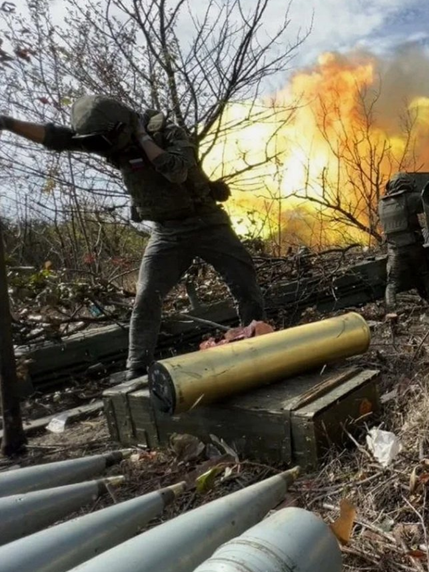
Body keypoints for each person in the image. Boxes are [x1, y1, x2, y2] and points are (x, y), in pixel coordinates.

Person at [0, 95, 265, 379]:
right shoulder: (109, 142)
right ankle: (137, 369)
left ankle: (260, 346)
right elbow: (57, 138)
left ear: (124, 126)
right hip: (167, 233)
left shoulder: (167, 133)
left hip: (208, 224)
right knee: (147, 296)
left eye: (106, 140)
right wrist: (7, 122)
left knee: (245, 285)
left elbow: (175, 171)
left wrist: (142, 137)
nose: (102, 148)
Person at [378, 172, 429, 311]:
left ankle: (391, 310)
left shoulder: (382, 203)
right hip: (412, 245)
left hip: (393, 248)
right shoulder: (411, 198)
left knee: (392, 282)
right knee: (424, 273)